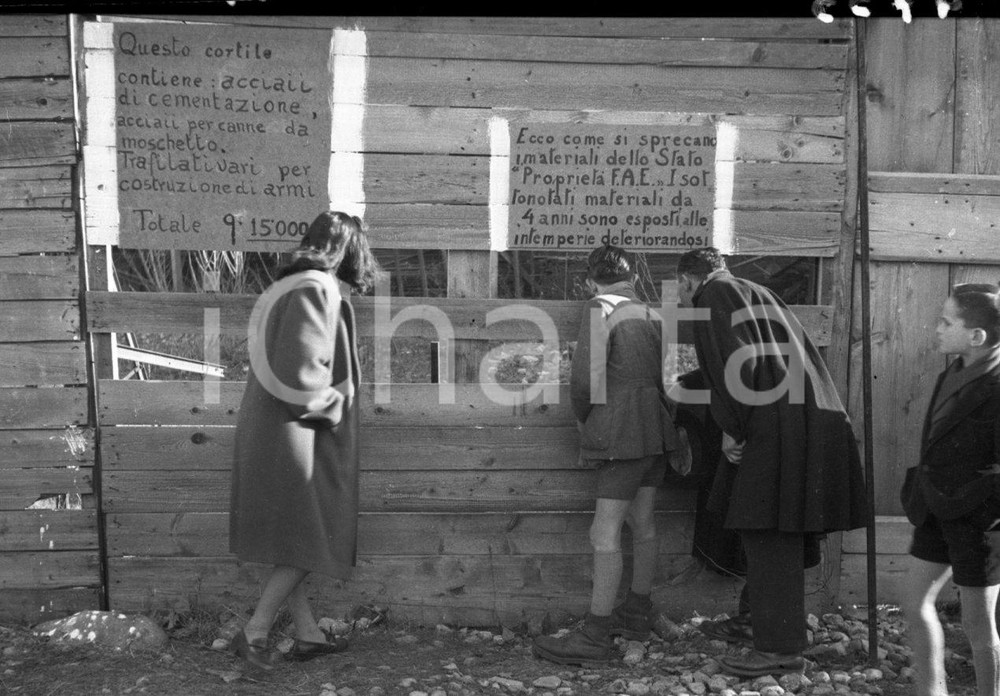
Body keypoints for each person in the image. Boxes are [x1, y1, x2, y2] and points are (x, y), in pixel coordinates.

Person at [675, 247, 867, 677]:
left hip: (769, 429)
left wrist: (732, 428)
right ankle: (755, 621)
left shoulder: (713, 297)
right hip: (800, 421)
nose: (683, 299)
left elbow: (735, 366)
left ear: (688, 281)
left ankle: (779, 648)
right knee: (770, 525)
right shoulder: (755, 289)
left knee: (768, 530)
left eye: (680, 291)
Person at [228, 211, 380, 670]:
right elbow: (300, 374)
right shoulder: (316, 287)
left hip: (273, 431)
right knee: (314, 536)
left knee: (296, 536)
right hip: (298, 437)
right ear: (351, 249)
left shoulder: (288, 286)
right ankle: (255, 631)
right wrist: (338, 408)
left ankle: (308, 634)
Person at [532, 244, 686, 668]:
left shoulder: (598, 308)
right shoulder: (653, 313)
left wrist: (585, 421)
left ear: (589, 280)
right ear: (633, 278)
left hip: (621, 436)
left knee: (604, 534)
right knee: (645, 525)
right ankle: (637, 613)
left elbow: (584, 381)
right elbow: (671, 381)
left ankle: (596, 635)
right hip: (656, 432)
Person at [900, 282, 1000, 696]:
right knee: (913, 603)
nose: (937, 328)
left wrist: (981, 509)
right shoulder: (954, 370)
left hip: (979, 523)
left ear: (976, 337)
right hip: (936, 510)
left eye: (946, 321)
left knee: (978, 624)